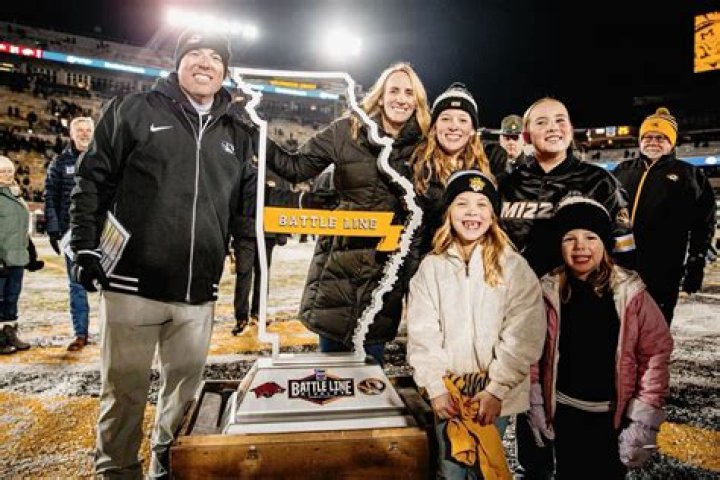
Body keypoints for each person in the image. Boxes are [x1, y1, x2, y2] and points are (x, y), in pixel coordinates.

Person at [69, 29, 328, 479]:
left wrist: (312, 206)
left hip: (198, 291)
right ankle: (117, 471)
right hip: (131, 283)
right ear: (178, 63)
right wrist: (84, 245)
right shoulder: (134, 109)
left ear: (225, 71)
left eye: (215, 57)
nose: (205, 62)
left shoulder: (238, 130)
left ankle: (167, 468)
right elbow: (92, 179)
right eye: (194, 54)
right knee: (123, 392)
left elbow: (250, 204)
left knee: (184, 398)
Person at [499, 97, 635, 479]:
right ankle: (535, 470)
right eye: (542, 122)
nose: (553, 127)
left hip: (581, 315)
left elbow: (625, 251)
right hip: (522, 313)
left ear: (571, 129)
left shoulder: (598, 181)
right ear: (528, 134)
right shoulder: (508, 184)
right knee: (530, 406)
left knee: (581, 412)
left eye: (560, 119)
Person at [262, 62, 431, 364]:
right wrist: (254, 133)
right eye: (394, 90)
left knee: (371, 375)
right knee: (330, 376)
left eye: (409, 93)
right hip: (337, 271)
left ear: (417, 102)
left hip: (384, 277)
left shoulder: (424, 147)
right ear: (380, 97)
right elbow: (295, 168)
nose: (401, 99)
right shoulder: (347, 130)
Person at [407, 170, 545, 479]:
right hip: (450, 393)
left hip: (492, 394)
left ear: (493, 215)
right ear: (448, 212)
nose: (472, 212)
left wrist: (496, 389)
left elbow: (523, 335)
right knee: (451, 469)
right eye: (462, 203)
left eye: (482, 204)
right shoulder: (431, 268)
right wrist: (435, 388)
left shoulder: (514, 266)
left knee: (486, 467)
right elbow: (422, 334)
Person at [533, 196, 673, 478]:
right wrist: (536, 401)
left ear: (605, 244)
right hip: (566, 411)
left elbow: (655, 354)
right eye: (569, 238)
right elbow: (533, 351)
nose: (580, 246)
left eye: (591, 237)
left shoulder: (630, 293)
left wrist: (643, 419)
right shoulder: (548, 291)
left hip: (612, 416)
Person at [612, 107, 716, 324]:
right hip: (620, 264)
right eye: (648, 137)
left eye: (661, 138)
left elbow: (703, 223)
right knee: (617, 324)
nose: (653, 142)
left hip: (664, 267)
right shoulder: (622, 170)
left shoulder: (689, 175)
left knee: (655, 325)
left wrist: (696, 261)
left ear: (672, 143)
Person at [411, 82, 491, 257]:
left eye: (463, 120)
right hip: (426, 263)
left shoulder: (488, 169)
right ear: (434, 127)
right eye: (446, 119)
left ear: (472, 129)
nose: (454, 126)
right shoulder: (415, 167)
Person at [44, 116, 94, 351]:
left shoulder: (105, 158)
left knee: (112, 285)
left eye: (88, 130)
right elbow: (50, 196)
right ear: (71, 135)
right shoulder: (60, 162)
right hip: (71, 233)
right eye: (79, 130)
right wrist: (54, 230)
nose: (84, 134)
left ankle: (115, 333)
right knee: (76, 284)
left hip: (101, 230)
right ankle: (81, 333)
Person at [230, 171, 291, 335]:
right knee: (244, 273)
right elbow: (234, 200)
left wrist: (282, 232)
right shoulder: (245, 170)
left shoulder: (277, 172)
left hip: (267, 231)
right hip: (245, 231)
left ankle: (257, 312)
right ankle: (242, 317)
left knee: (263, 274)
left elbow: (283, 201)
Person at [0, 155, 44, 354]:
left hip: (16, 257)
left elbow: (20, 228)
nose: (6, 174)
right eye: (2, 171)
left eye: (9, 170)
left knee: (11, 298)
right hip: (2, 257)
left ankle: (9, 332)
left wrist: (31, 254)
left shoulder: (15, 193)